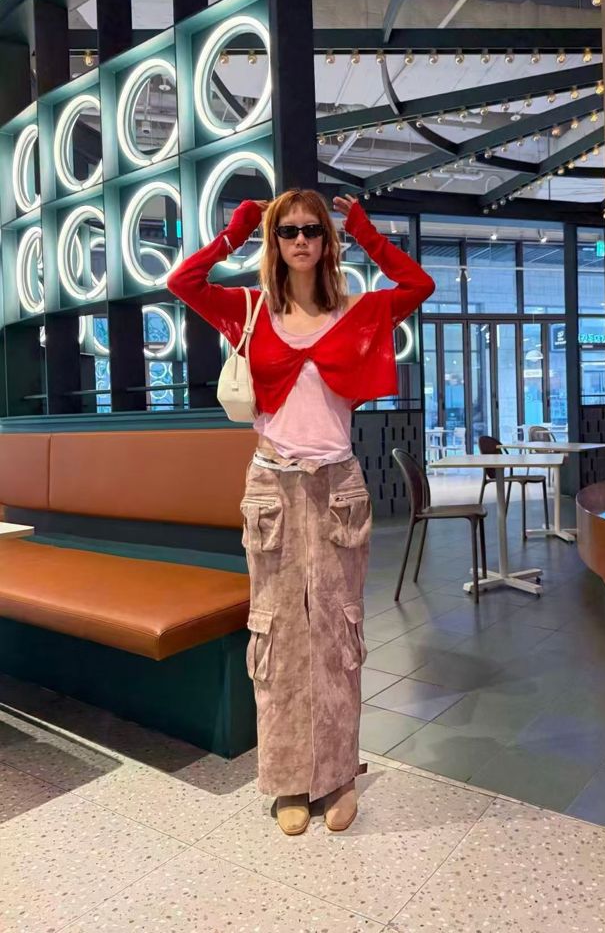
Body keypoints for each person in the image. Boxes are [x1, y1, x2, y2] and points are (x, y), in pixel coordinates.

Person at [167, 189, 434, 835]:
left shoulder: (356, 313)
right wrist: (233, 233)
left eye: (312, 229)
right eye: (287, 230)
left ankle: (338, 775)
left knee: (339, 633)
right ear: (275, 241)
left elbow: (417, 284)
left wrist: (366, 232)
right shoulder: (249, 310)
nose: (301, 240)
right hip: (272, 487)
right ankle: (288, 778)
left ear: (326, 240)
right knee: (277, 634)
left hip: (337, 486)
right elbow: (183, 281)